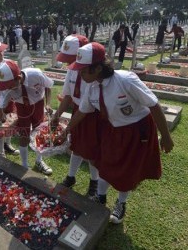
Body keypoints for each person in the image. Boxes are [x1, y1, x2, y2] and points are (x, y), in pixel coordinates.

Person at [66, 42, 174, 224]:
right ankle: (100, 197)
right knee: (105, 164)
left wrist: (166, 136)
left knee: (127, 171)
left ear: (98, 68)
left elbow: (153, 105)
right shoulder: (92, 88)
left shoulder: (125, 80)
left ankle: (121, 203)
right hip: (113, 129)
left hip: (136, 130)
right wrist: (66, 130)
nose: (80, 74)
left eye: (84, 71)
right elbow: (82, 112)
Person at [0, 59, 55, 175]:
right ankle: (24, 164)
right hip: (22, 107)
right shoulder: (6, 90)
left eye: (9, 85)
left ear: (18, 79)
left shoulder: (35, 74)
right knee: (24, 134)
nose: (7, 88)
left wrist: (48, 103)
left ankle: (39, 161)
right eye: (4, 86)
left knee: (39, 134)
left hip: (38, 104)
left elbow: (48, 86)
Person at [51, 35, 101, 200]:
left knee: (92, 152)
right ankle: (71, 177)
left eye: (70, 58)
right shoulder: (72, 71)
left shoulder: (93, 72)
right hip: (77, 111)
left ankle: (94, 183)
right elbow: (68, 96)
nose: (67, 62)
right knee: (76, 145)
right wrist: (56, 116)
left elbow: (92, 104)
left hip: (93, 114)